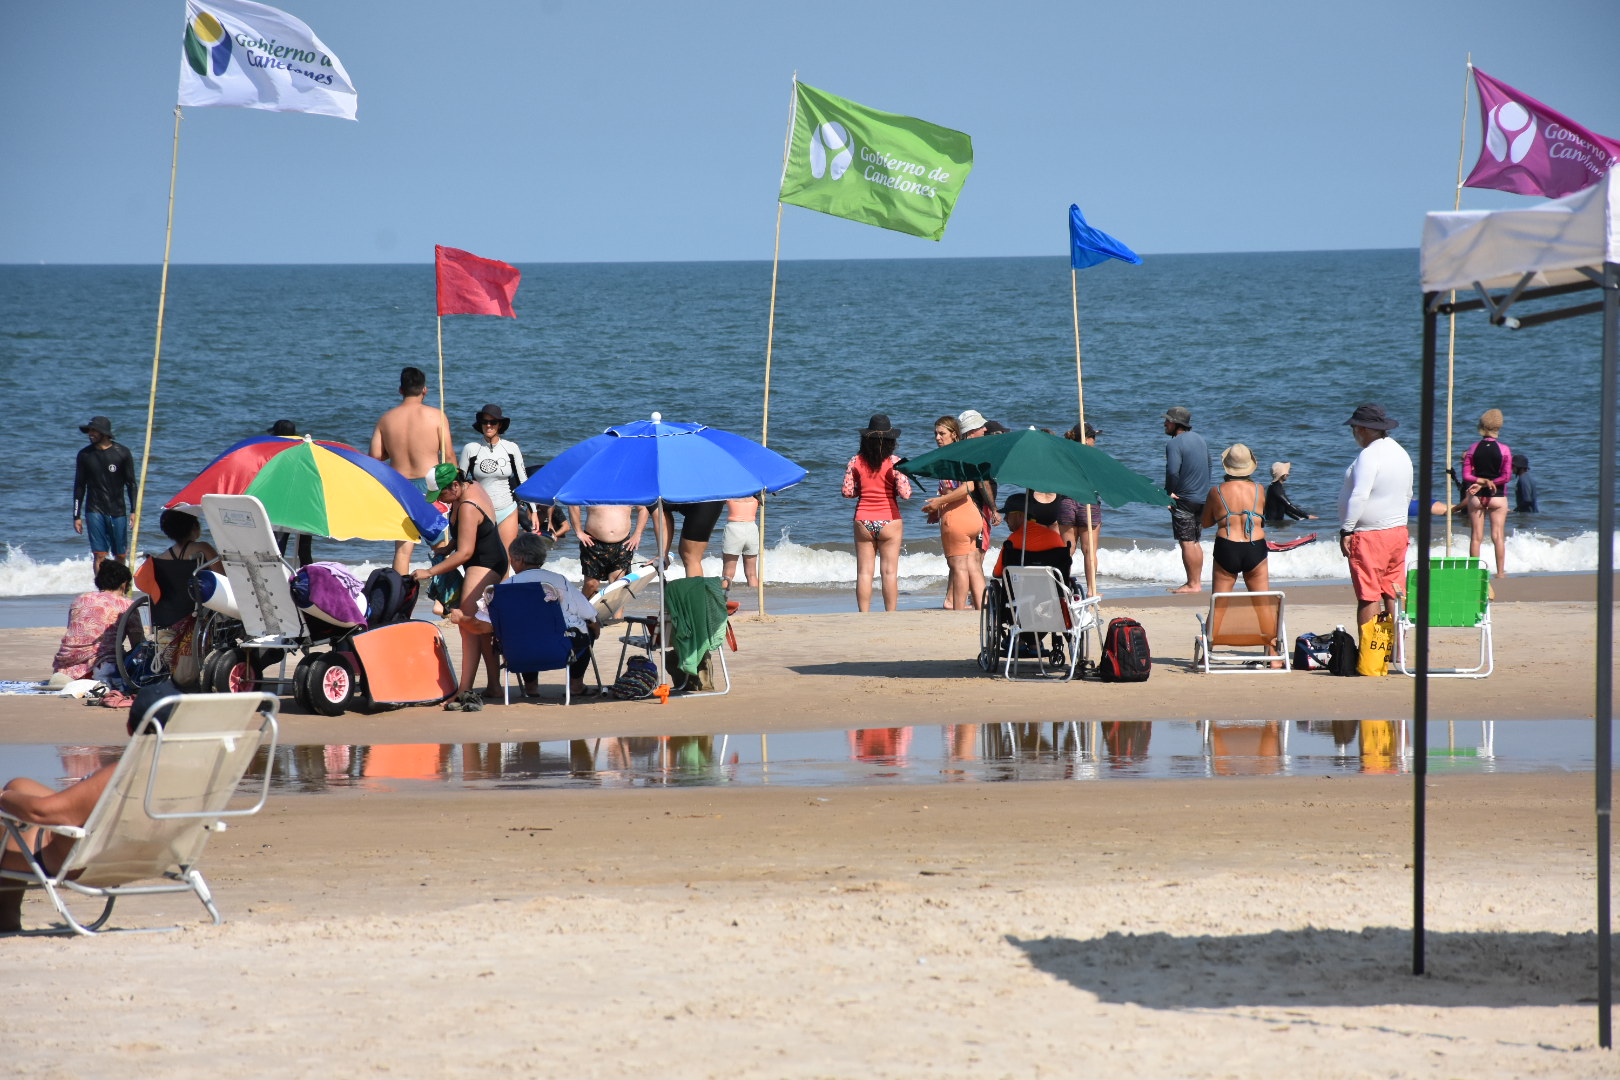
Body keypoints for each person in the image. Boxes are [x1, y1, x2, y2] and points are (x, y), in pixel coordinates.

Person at [1, 681, 179, 932]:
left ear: (130, 728)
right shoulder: (195, 770)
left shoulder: (126, 774)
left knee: (7, 819)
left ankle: (6, 919)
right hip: (142, 854)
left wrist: (2, 798)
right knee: (19, 786)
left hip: (77, 859)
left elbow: (41, 812)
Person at [452, 533, 599, 701]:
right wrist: (595, 626)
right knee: (588, 628)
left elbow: (481, 627)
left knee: (524, 632)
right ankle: (576, 685)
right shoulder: (559, 581)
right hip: (560, 649)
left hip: (519, 651)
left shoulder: (502, 590)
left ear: (519, 559)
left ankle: (531, 687)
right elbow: (590, 614)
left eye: (512, 559)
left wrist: (461, 619)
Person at [411, 465, 508, 698]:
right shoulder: (467, 485)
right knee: (479, 627)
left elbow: (465, 553)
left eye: (442, 494)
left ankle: (464, 690)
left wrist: (430, 572)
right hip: (485, 557)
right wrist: (448, 547)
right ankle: (494, 686)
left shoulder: (466, 505)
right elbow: (469, 534)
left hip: (485, 563)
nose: (442, 501)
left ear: (455, 485)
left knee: (467, 625)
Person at [370, 366, 454, 575]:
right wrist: (457, 485)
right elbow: (449, 456)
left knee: (402, 550)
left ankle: (400, 599)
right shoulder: (436, 416)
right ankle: (444, 603)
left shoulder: (386, 419)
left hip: (400, 487)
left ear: (400, 390)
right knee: (441, 547)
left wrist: (396, 449)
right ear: (424, 390)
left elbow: (375, 458)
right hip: (431, 486)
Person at [1338, 403, 1413, 630]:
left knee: (1368, 595)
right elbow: (1408, 493)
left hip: (1371, 536)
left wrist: (1347, 529)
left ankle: (1371, 656)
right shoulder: (1401, 452)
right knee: (1392, 591)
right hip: (1397, 532)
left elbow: (1360, 494)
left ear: (1360, 429)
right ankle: (1395, 650)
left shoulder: (1369, 455)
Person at [841, 414, 912, 612]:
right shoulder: (897, 462)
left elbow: (847, 492)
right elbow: (905, 494)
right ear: (891, 441)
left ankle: (864, 615)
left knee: (864, 572)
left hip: (863, 519)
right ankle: (890, 614)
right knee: (889, 573)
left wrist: (861, 490)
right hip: (890, 520)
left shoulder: (855, 461)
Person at [919, 416, 987, 611]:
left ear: (954, 435)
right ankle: (981, 610)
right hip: (972, 516)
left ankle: (958, 612)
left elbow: (968, 486)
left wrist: (940, 502)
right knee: (973, 565)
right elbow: (955, 489)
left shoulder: (948, 458)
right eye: (936, 434)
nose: (938, 438)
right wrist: (937, 509)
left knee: (958, 568)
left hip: (957, 518)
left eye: (942, 433)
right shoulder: (963, 454)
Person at [460, 404, 531, 571]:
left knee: (506, 560)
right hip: (481, 512)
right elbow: (461, 484)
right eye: (485, 422)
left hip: (507, 509)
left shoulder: (511, 448)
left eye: (493, 422)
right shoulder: (471, 449)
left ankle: (502, 595)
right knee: (480, 560)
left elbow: (523, 480)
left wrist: (533, 511)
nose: (488, 425)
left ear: (500, 425)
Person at [49, 559, 137, 686]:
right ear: (124, 585)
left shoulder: (80, 599)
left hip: (64, 666)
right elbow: (137, 642)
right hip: (101, 667)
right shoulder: (127, 605)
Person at [72, 415, 138, 574]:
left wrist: (134, 511)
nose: (90, 433)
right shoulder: (84, 455)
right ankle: (102, 590)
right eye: (89, 430)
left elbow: (131, 483)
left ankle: (120, 590)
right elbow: (79, 485)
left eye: (94, 430)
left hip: (118, 510)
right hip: (94, 509)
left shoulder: (122, 452)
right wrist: (76, 515)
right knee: (99, 554)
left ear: (105, 432)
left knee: (120, 555)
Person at [1201, 445, 1271, 596]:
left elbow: (1205, 523)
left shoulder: (1216, 491)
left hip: (1227, 546)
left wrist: (1224, 516)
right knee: (1264, 605)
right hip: (1255, 546)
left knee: (1218, 606)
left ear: (1227, 466)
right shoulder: (1260, 489)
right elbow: (1263, 519)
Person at [1162, 406, 1211, 594]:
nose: (1164, 424)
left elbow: (1173, 471)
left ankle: (1192, 584)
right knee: (1196, 540)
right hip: (1202, 497)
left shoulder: (1174, 444)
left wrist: (1168, 493)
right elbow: (1210, 464)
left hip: (1184, 498)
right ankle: (1196, 582)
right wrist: (1203, 488)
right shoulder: (1200, 439)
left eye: (1167, 421)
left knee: (1186, 542)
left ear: (1175, 423)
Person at [1462, 408, 1513, 576]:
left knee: (1476, 536)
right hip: (1497, 497)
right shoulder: (1504, 450)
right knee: (1498, 536)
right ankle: (1500, 572)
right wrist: (1490, 482)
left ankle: (1475, 573)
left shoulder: (1473, 448)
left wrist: (1481, 482)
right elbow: (1506, 477)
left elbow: (1467, 475)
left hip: (1476, 497)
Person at [568, 503, 649, 596]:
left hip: (622, 544)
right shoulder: (591, 488)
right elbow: (573, 504)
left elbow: (643, 508)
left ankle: (615, 610)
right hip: (593, 543)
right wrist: (578, 531)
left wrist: (637, 534)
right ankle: (584, 609)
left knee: (617, 584)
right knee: (591, 584)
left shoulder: (628, 489)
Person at [1063, 422, 1105, 598]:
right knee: (1089, 550)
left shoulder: (1064, 453)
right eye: (1093, 437)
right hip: (1087, 502)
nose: (1095, 441)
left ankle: (1063, 588)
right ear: (1087, 439)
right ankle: (1091, 590)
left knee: (1067, 549)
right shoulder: (1091, 455)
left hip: (1065, 500)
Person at [660, 501, 724, 580]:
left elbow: (658, 512)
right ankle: (695, 590)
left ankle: (696, 591)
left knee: (691, 557)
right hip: (709, 499)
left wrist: (663, 555)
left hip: (705, 502)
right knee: (689, 556)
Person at [719, 496, 761, 593]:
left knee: (728, 573)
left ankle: (723, 600)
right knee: (752, 574)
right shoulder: (757, 493)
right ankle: (755, 603)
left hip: (734, 528)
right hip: (752, 528)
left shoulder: (732, 492)